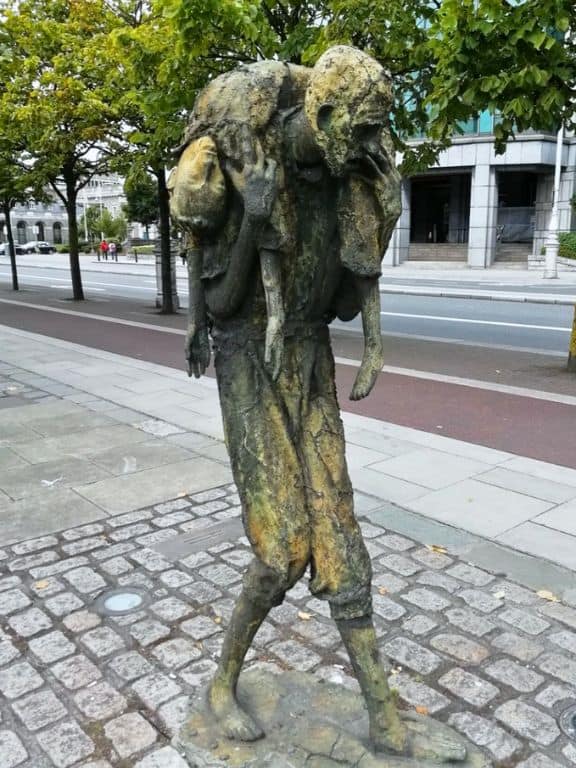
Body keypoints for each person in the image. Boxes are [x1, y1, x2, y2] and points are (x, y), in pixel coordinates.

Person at [170, 46, 463, 763]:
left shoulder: (342, 182)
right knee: (281, 552)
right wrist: (255, 218)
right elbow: (219, 301)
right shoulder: (252, 162)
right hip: (247, 359)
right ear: (326, 115)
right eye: (362, 132)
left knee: (340, 536)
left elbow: (331, 304)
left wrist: (386, 219)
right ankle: (221, 682)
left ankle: (383, 715)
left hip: (306, 362)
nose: (372, 149)